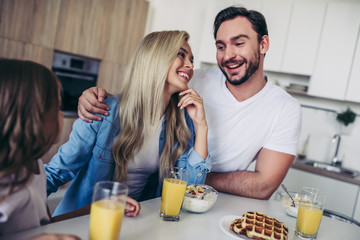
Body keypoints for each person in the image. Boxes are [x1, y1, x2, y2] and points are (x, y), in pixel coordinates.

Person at [77, 6, 301, 200]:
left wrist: (185, 176)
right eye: (221, 46)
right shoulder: (193, 79)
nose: (228, 55)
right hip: (156, 195)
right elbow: (143, 97)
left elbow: (263, 186)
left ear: (263, 44)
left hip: (214, 199)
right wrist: (96, 96)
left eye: (239, 43)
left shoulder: (285, 108)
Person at [45, 30, 211, 217]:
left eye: (191, 59)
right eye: (181, 54)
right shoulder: (104, 111)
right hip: (88, 221)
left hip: (137, 220)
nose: (190, 65)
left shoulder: (182, 121)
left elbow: (188, 190)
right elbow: (57, 172)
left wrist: (202, 126)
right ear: (155, 58)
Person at [0, 59, 77, 239]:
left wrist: (97, 207)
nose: (62, 114)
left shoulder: (36, 167)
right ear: (31, 117)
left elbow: (45, 225)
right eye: (57, 107)